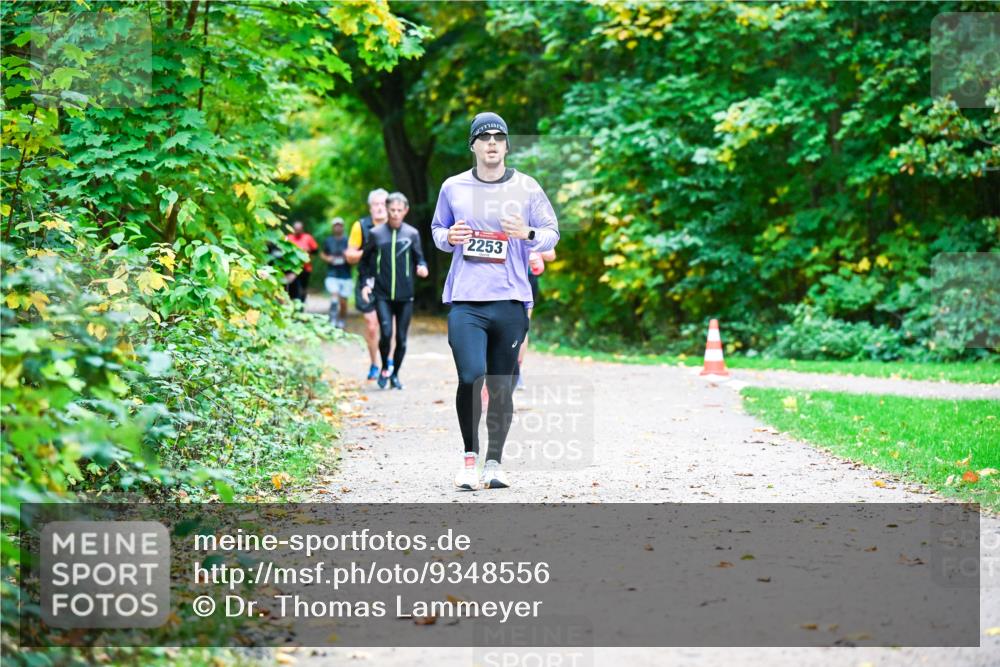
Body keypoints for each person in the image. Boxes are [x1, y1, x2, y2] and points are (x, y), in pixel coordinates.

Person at [431, 111, 559, 491]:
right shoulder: (453, 187)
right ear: (472, 145)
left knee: (501, 386)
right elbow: (438, 230)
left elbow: (551, 233)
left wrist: (528, 232)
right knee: (471, 377)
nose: (491, 143)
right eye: (483, 137)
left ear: (505, 145)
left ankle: (494, 464)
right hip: (466, 300)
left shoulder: (527, 187)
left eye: (498, 137)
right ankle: (469, 459)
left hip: (511, 300)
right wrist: (450, 237)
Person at [359, 192, 428, 390]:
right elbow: (365, 262)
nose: (396, 214)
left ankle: (395, 374)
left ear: (405, 211)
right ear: (387, 210)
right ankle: (384, 369)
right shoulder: (376, 234)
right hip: (382, 294)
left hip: (405, 295)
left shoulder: (412, 234)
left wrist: (422, 267)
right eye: (392, 210)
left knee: (402, 340)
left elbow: (420, 258)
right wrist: (365, 284)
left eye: (399, 210)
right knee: (387, 333)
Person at [346, 189, 395, 381]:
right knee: (372, 326)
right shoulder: (361, 226)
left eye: (383, 204)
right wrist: (368, 250)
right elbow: (350, 256)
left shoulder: (396, 226)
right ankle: (375, 363)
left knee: (390, 325)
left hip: (390, 282)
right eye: (376, 204)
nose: (380, 208)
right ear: (370, 207)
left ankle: (389, 362)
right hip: (367, 282)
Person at [516, 249, 557, 389]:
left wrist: (534, 250)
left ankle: (516, 371)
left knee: (522, 325)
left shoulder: (535, 229)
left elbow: (551, 254)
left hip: (527, 279)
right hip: (501, 276)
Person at [320, 217, 351, 329]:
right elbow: (322, 254)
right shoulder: (328, 240)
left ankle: (342, 319)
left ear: (342, 227)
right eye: (335, 225)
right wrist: (328, 259)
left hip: (346, 274)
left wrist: (348, 257)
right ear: (333, 227)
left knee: (343, 301)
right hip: (332, 273)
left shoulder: (348, 240)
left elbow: (354, 254)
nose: (338, 227)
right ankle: (332, 319)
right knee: (334, 295)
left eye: (340, 225)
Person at [285, 220, 318, 304]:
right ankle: (293, 304)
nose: (297, 231)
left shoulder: (308, 238)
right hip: (292, 268)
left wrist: (308, 250)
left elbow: (315, 250)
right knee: (292, 288)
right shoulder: (288, 238)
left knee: (303, 287)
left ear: (302, 229)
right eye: (296, 229)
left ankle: (302, 304)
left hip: (305, 268)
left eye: (299, 229)